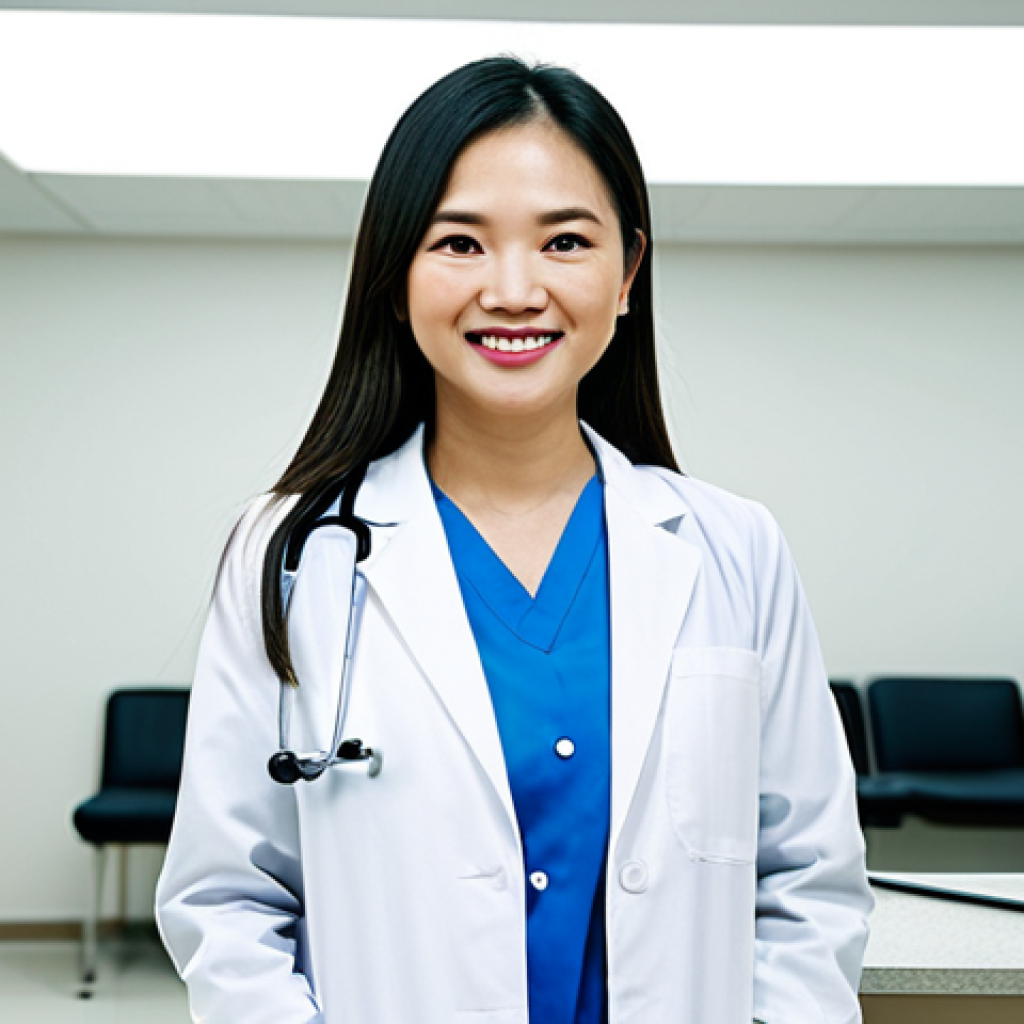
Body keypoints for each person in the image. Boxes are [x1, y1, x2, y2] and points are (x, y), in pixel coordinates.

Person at [155, 55, 873, 1024]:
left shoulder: (732, 546)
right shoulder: (292, 548)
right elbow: (228, 898)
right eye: (459, 242)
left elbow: (807, 883)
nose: (514, 287)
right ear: (394, 275)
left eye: (565, 240)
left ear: (627, 274)